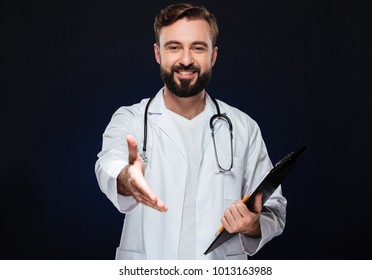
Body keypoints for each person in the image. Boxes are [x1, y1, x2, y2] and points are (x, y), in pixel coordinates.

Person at [95, 2, 286, 260]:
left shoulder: (244, 128)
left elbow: (273, 208)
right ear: (157, 53)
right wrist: (127, 178)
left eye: (198, 48)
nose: (186, 60)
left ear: (213, 56)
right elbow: (109, 163)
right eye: (174, 47)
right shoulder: (130, 119)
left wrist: (251, 224)